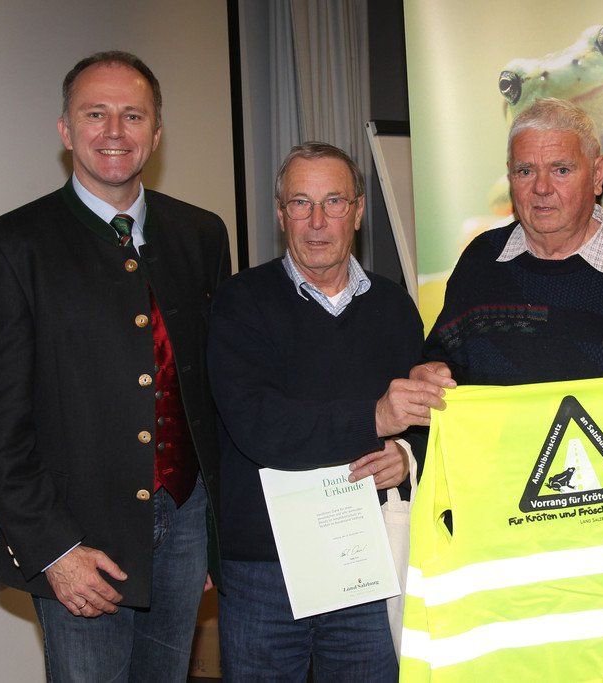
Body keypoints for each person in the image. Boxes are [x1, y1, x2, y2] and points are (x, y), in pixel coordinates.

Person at [0, 51, 231, 680]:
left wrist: (216, 533)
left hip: (186, 521)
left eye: (133, 115)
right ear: (65, 129)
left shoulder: (201, 234)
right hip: (80, 541)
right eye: (95, 114)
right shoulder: (12, 245)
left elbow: (215, 390)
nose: (115, 131)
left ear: (156, 134)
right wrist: (53, 550)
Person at [208, 142, 437, 681]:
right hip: (265, 569)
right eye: (300, 203)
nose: (316, 222)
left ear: (357, 212)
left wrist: (405, 455)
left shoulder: (394, 306)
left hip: (366, 561)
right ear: (280, 213)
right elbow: (258, 426)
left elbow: (424, 421)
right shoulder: (239, 302)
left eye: (333, 202)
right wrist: (373, 420)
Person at [415, 97, 603, 388]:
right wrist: (430, 374)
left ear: (597, 175)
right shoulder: (481, 260)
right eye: (525, 171)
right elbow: (440, 365)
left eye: (561, 170)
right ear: (510, 175)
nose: (541, 188)